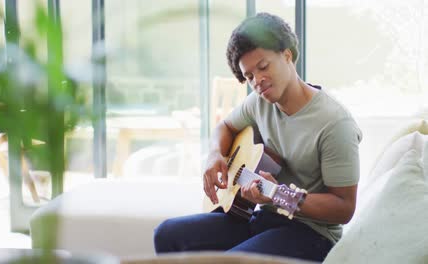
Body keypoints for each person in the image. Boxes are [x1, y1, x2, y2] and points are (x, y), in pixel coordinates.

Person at [153, 12, 362, 262]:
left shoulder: (335, 123)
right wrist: (214, 155)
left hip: (312, 234)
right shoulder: (258, 103)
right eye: (249, 76)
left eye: (263, 67)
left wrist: (276, 194)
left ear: (287, 55)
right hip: (263, 217)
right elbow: (225, 127)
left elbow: (344, 207)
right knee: (165, 234)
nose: (258, 81)